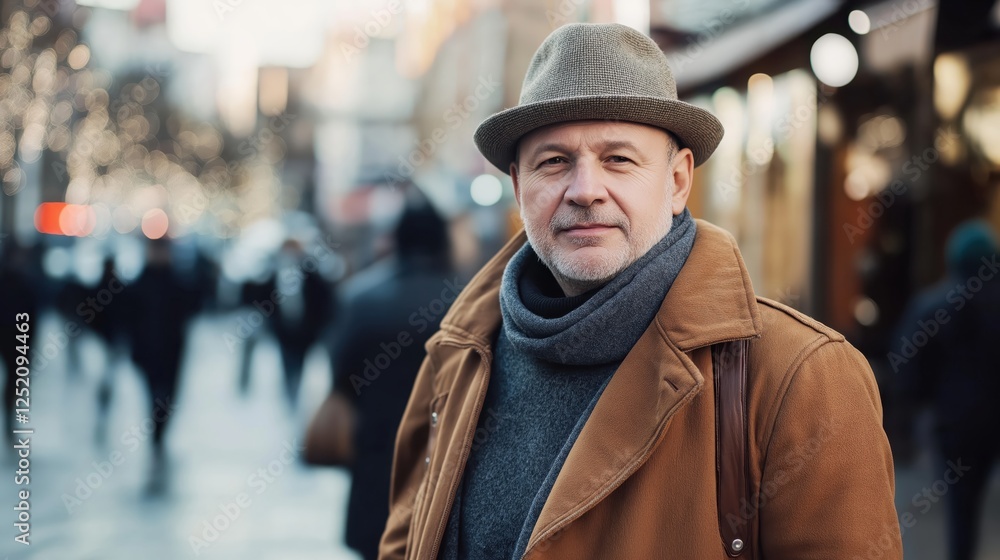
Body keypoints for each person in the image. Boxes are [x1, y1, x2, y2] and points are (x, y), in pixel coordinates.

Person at [379, 23, 901, 559]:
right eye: (554, 161)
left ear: (677, 182)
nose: (585, 190)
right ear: (519, 186)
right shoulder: (459, 355)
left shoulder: (801, 376)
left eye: (618, 159)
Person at [333, 198, 455, 560]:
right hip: (447, 459)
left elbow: (340, 373)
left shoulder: (361, 298)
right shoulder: (468, 300)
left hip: (375, 456)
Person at [892, 220, 1000, 560]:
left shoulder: (932, 304)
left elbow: (906, 365)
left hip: (954, 426)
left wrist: (916, 414)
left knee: (961, 510)